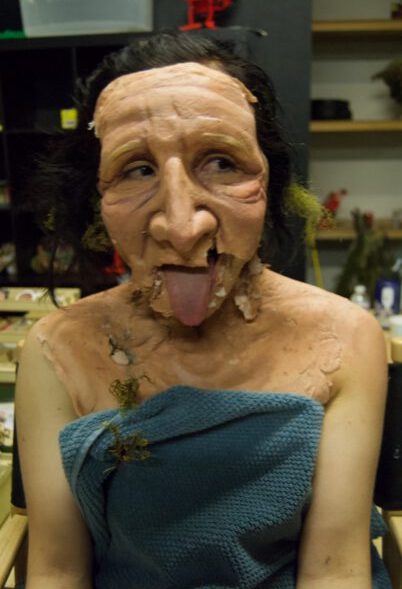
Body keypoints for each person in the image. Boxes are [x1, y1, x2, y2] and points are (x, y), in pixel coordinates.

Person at [16, 31, 390, 589]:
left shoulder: (344, 337)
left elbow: (335, 570)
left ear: (270, 180)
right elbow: (58, 568)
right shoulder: (57, 350)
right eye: (137, 169)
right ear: (97, 198)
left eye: (221, 162)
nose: (182, 226)